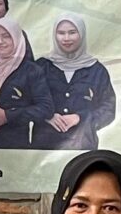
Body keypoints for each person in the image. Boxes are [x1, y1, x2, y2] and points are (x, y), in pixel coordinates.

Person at [43, 14, 116, 150]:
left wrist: (80, 118)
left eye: (72, 32)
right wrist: (46, 115)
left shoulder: (96, 70)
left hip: (82, 146)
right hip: (43, 148)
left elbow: (108, 109)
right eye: (61, 33)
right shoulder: (41, 67)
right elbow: (25, 103)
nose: (66, 38)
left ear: (81, 34)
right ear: (54, 35)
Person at [0, 13, 60, 149]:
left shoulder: (31, 71)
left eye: (6, 36)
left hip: (14, 146)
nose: (0, 41)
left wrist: (8, 116)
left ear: (17, 38)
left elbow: (46, 108)